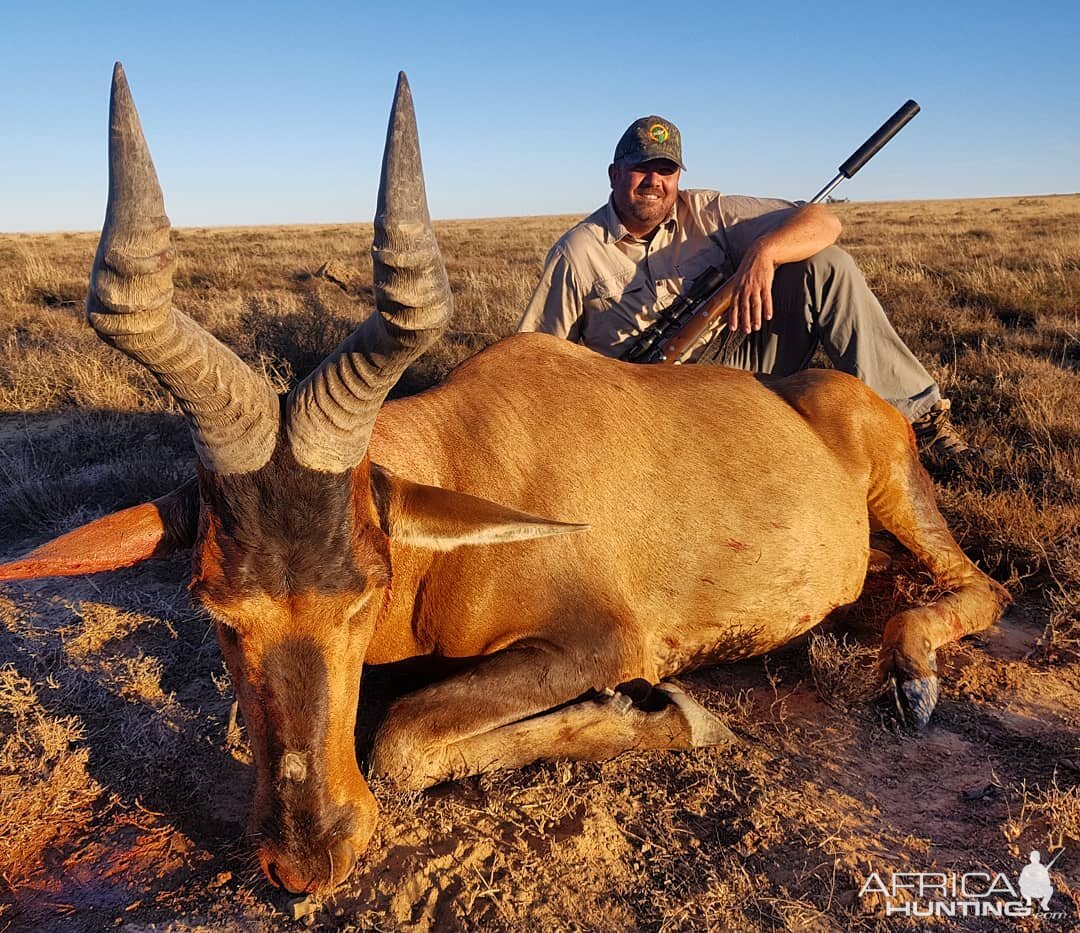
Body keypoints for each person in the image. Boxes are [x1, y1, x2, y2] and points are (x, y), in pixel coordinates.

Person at [517, 114, 974, 463]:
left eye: (665, 170)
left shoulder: (709, 211)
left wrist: (763, 252)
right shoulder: (574, 253)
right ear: (615, 173)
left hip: (733, 357)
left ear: (679, 176)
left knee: (826, 266)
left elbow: (823, 220)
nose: (654, 182)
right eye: (640, 169)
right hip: (643, 403)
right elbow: (537, 356)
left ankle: (923, 422)